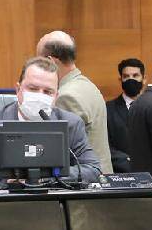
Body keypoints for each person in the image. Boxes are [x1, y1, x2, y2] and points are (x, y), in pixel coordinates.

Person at [0, 57, 101, 189]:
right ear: (18, 89)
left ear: (56, 96)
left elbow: (92, 169)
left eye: (47, 92)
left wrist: (43, 177)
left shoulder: (71, 124)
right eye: (33, 89)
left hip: (49, 206)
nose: (39, 96)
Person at [37, 31, 114, 174]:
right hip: (100, 177)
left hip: (85, 179)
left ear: (50, 61)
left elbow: (62, 152)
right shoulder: (87, 85)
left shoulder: (66, 96)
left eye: (39, 62)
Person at [106, 58, 145, 173]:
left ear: (144, 79)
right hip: (121, 172)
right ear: (120, 80)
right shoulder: (108, 109)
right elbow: (105, 145)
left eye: (135, 75)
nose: (131, 79)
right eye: (126, 76)